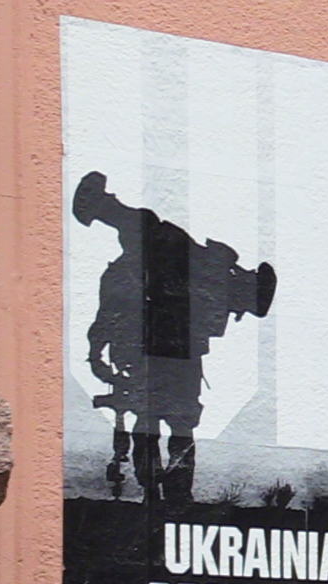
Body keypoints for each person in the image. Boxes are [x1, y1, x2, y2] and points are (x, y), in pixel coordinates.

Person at [73, 170, 276, 504]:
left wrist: (99, 357)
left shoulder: (152, 261)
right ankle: (172, 492)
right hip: (177, 355)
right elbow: (106, 319)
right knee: (173, 426)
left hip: (158, 355)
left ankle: (161, 491)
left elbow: (104, 321)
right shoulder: (169, 258)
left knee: (156, 423)